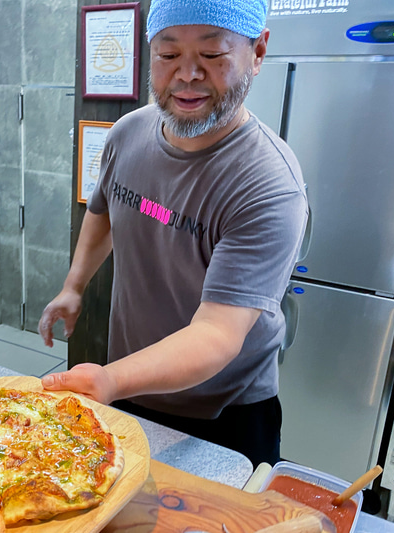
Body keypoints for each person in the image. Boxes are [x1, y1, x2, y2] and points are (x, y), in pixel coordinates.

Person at [38, 0, 308, 467]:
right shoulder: (127, 133)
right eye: (168, 55)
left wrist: (110, 379)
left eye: (212, 55)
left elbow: (216, 334)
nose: (187, 75)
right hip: (131, 385)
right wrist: (74, 286)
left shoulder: (269, 184)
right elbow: (106, 208)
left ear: (258, 52)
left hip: (222, 414)